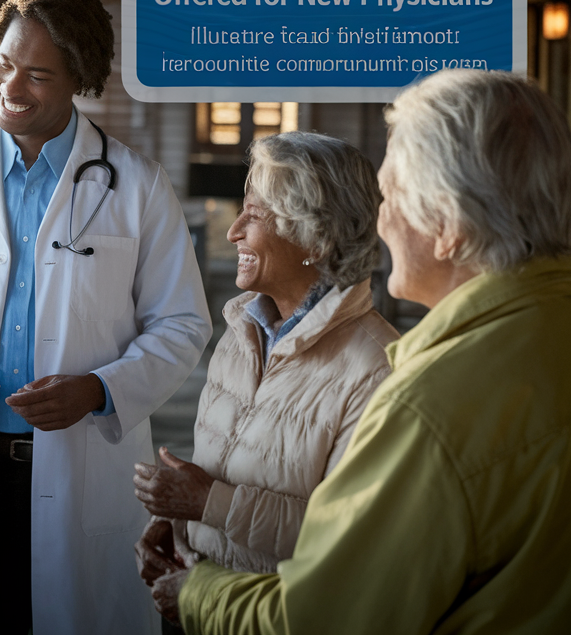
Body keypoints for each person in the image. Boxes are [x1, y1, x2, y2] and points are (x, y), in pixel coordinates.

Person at [158, 69, 571, 633]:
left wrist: (198, 593)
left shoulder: (426, 403)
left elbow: (328, 616)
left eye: (394, 194)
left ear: (447, 225)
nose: (379, 220)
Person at [0, 0, 212, 635]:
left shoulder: (136, 186)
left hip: (84, 467)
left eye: (37, 75)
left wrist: (99, 389)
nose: (10, 86)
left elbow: (181, 322)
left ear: (78, 80)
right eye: (4, 62)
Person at [132, 132, 396, 627]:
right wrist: (174, 523)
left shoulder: (375, 368)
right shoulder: (240, 333)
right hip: (200, 603)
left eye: (253, 215)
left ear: (315, 237)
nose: (233, 232)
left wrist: (203, 501)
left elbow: (349, 538)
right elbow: (228, 472)